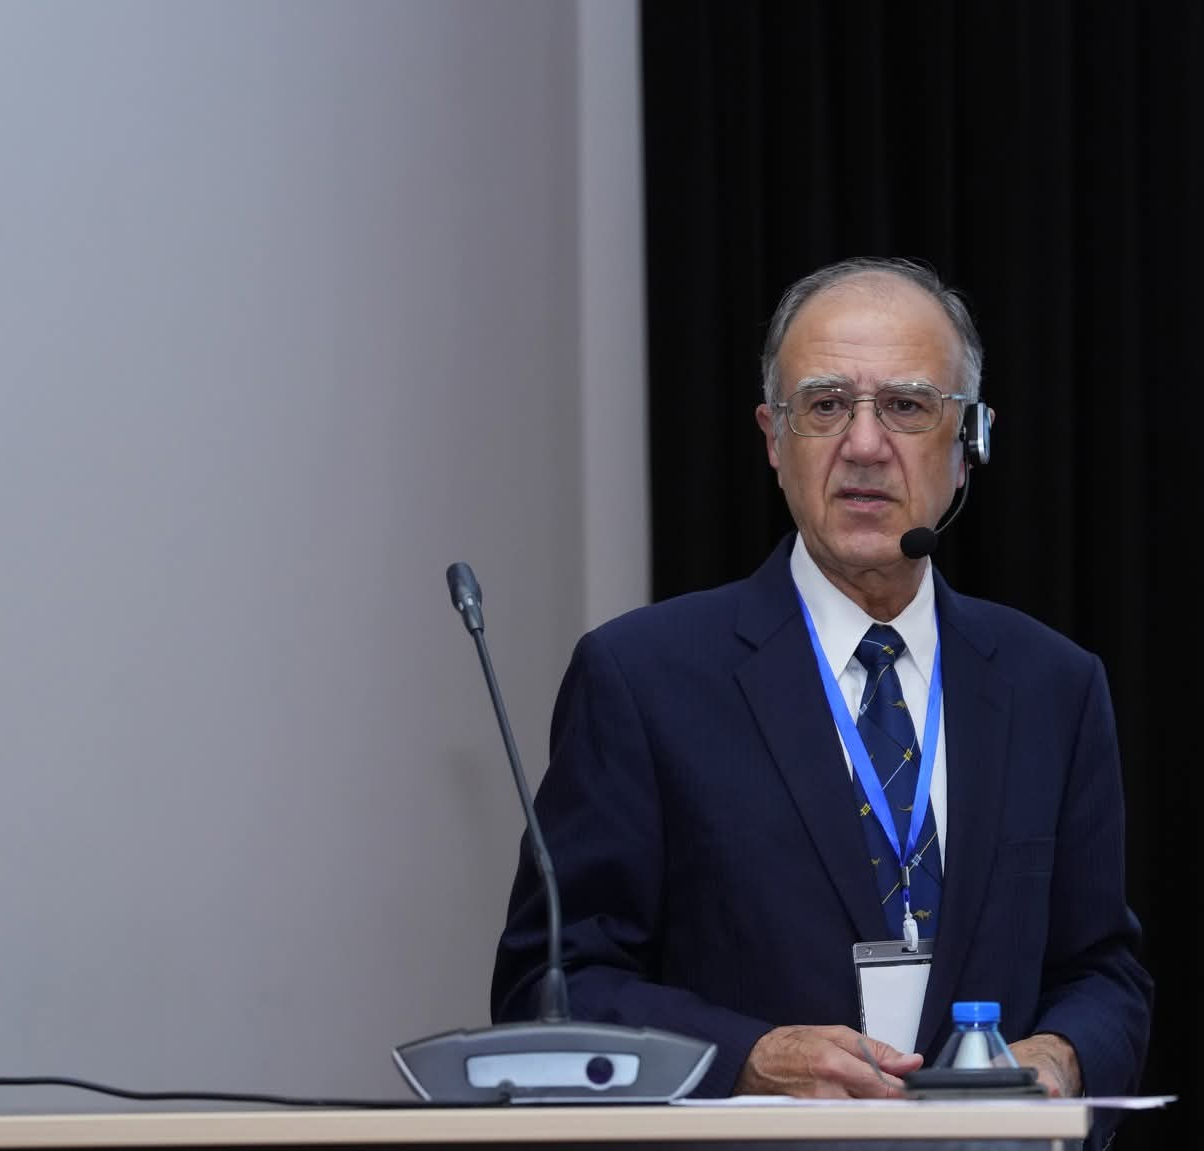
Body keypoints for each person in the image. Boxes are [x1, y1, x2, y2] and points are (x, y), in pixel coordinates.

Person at [491, 257, 1151, 1102]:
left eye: (907, 406)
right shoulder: (642, 678)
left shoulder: (1053, 685)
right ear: (774, 439)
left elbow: (1103, 973)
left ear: (969, 445)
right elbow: (551, 987)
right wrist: (748, 1057)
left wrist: (1062, 1054)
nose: (865, 445)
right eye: (826, 405)